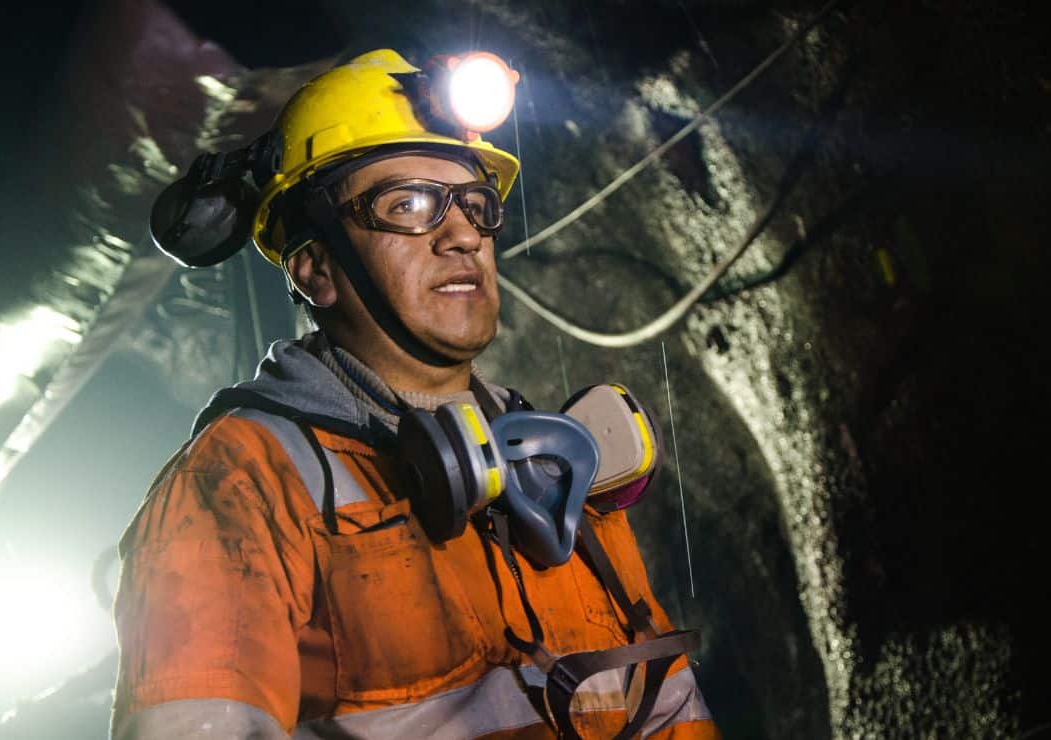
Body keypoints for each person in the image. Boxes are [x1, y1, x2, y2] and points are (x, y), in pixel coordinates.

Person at [112, 49, 717, 739]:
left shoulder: (552, 468)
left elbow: (673, 714)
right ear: (317, 269)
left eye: (476, 205)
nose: (463, 235)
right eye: (408, 205)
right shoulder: (242, 483)